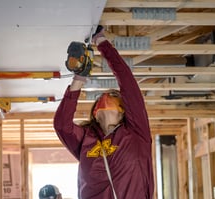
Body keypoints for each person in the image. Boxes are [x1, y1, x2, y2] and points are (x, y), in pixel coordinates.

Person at [54, 25, 154, 199]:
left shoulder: (136, 132)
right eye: (104, 96)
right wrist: (80, 77)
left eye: (114, 96)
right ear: (95, 113)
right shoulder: (86, 139)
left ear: (123, 111)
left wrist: (101, 45)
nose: (107, 95)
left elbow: (128, 84)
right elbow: (62, 125)